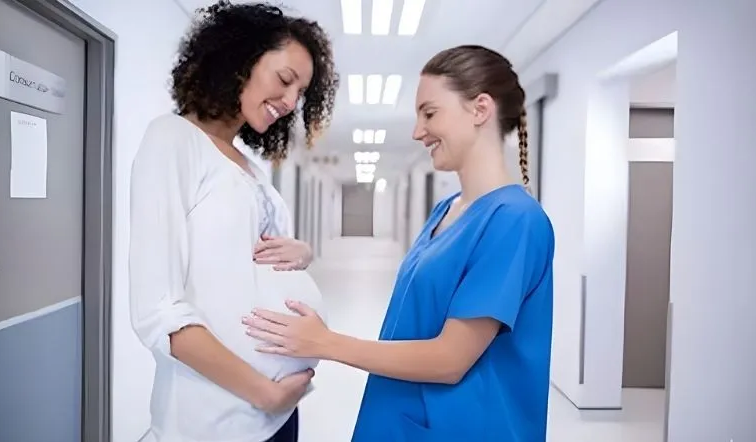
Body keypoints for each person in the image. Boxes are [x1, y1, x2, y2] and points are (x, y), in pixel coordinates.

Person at [243, 44, 555, 441]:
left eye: (430, 113)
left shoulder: (515, 220)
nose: (417, 131)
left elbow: (451, 359)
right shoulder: (445, 210)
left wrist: (326, 342)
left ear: (480, 109)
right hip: (398, 419)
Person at [128, 2, 338, 442]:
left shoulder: (248, 165)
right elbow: (157, 311)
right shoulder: (173, 140)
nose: (290, 102)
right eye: (284, 79)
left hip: (277, 415)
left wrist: (301, 252)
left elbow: (252, 260)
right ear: (240, 60)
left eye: (300, 93)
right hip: (218, 420)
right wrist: (264, 392)